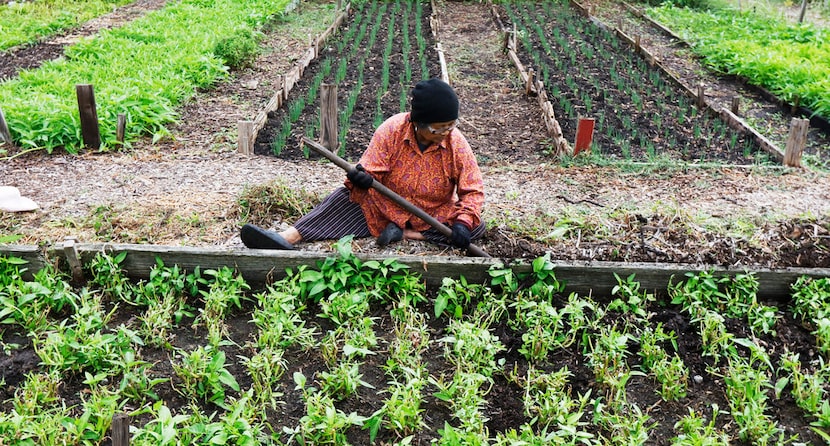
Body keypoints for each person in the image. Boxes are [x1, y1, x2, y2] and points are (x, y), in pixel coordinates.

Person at [240, 78, 485, 251]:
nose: (446, 132)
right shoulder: (392, 130)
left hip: (432, 213)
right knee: (345, 198)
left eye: (451, 125)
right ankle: (288, 237)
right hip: (386, 206)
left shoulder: (456, 143)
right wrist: (362, 177)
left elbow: (472, 189)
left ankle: (409, 234)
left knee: (474, 228)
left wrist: (463, 223)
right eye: (438, 127)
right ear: (417, 122)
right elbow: (369, 168)